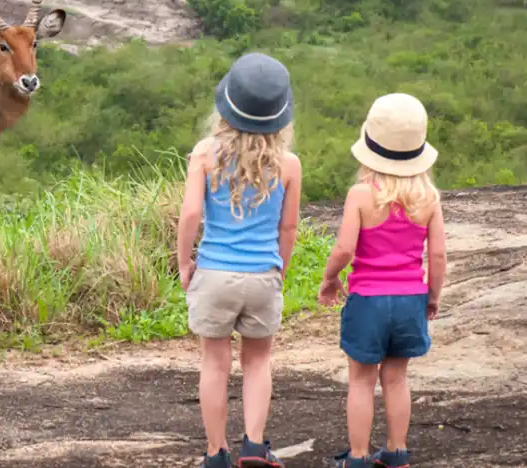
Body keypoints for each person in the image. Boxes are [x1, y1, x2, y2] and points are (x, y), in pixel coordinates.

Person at [177, 52, 303, 468]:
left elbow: (191, 214)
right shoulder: (289, 164)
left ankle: (216, 453)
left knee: (214, 363)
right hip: (262, 274)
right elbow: (288, 229)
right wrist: (279, 266)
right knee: (258, 362)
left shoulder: (204, 154)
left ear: (226, 106)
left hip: (213, 273)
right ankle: (253, 446)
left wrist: (184, 262)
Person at [318, 93, 447, 468]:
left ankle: (357, 457)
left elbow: (344, 249)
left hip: (368, 301)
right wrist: (433, 296)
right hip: (410, 301)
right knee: (396, 379)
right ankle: (396, 451)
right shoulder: (429, 198)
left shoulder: (360, 195)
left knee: (361, 381)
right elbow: (437, 256)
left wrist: (330, 278)